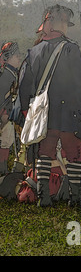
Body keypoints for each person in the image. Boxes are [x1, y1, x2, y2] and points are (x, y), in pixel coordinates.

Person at [19, 4, 81, 207]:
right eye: (65, 22)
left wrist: (29, 111)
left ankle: (44, 198)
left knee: (45, 154)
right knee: (73, 155)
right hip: (69, 111)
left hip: (45, 113)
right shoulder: (70, 48)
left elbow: (25, 84)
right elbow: (80, 81)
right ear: (58, 23)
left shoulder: (34, 51)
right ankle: (75, 198)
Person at [0, 42, 22, 175]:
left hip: (9, 115)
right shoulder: (5, 76)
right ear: (8, 58)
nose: (19, 57)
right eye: (15, 55)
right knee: (4, 144)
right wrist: (4, 116)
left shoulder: (12, 74)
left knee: (7, 144)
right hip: (5, 117)